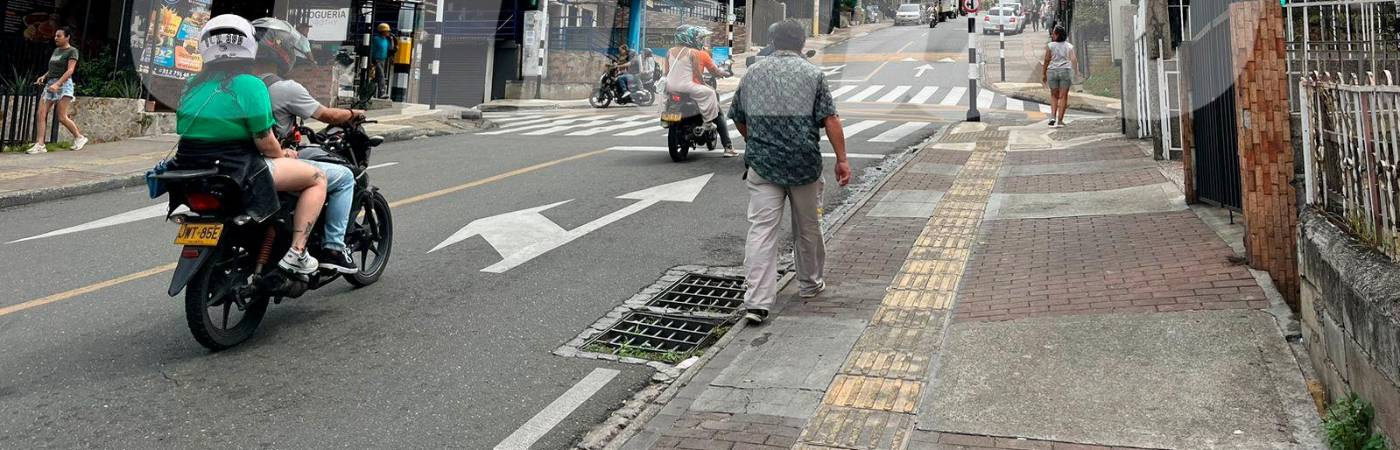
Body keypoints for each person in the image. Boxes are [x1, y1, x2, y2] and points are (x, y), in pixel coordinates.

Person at [171, 14, 328, 274]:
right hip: (237, 167)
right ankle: (297, 253)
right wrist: (284, 155)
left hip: (191, 164)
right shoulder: (250, 85)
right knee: (317, 177)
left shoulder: (192, 84)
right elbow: (266, 142)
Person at [730, 20, 851, 325]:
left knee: (761, 231)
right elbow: (831, 120)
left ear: (771, 42)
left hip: (763, 166)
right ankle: (809, 285)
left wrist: (755, 142)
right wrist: (842, 160)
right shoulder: (813, 74)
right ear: (801, 44)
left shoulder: (753, 73)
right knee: (808, 228)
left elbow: (738, 117)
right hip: (804, 166)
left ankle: (757, 302)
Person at [252, 17, 361, 273]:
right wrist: (355, 113)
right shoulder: (284, 88)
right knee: (342, 177)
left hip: (229, 161)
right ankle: (331, 248)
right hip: (264, 161)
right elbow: (328, 116)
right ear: (281, 50)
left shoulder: (229, 84)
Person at [665, 25, 735, 156]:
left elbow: (667, 72)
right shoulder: (700, 53)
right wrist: (721, 75)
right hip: (692, 89)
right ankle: (727, 146)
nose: (701, 41)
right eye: (700, 38)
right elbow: (705, 73)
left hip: (673, 89)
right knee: (718, 112)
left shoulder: (670, 51)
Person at [27, 26, 88, 154]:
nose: (56, 38)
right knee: (41, 113)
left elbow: (70, 70)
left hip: (64, 85)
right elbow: (53, 68)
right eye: (55, 36)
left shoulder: (72, 51)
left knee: (61, 117)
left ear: (67, 37)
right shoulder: (56, 51)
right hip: (50, 83)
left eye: (59, 36)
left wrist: (58, 84)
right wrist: (44, 76)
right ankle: (40, 144)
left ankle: (79, 137)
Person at [1041, 26, 1077, 128]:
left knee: (1054, 95)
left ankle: (1053, 117)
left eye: (1054, 33)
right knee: (1063, 96)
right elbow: (1073, 60)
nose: (1052, 35)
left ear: (1058, 35)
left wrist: (1044, 73)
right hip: (1065, 71)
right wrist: (1076, 72)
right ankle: (1060, 120)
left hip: (1052, 72)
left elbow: (1047, 60)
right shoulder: (1069, 46)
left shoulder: (1050, 46)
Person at [370, 23, 397, 98]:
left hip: (383, 60)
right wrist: (371, 61)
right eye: (386, 31)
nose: (388, 33)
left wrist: (392, 40)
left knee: (375, 79)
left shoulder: (386, 40)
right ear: (382, 31)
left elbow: (390, 49)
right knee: (381, 76)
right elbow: (371, 50)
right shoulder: (376, 39)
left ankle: (368, 92)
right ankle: (382, 93)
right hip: (376, 60)